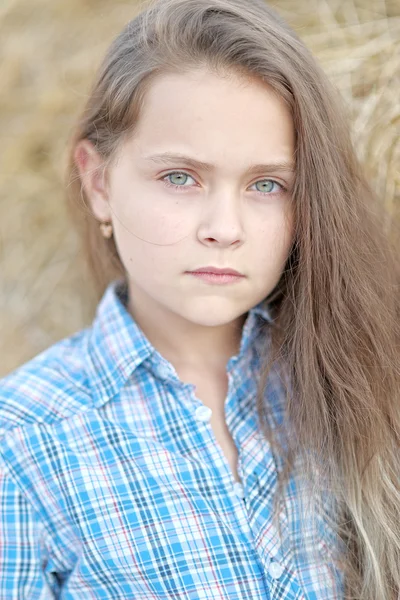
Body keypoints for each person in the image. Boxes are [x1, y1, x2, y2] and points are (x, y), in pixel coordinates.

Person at [1, 0, 399, 597]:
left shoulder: (362, 381)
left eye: (267, 184)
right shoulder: (24, 441)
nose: (224, 227)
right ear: (100, 182)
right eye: (180, 177)